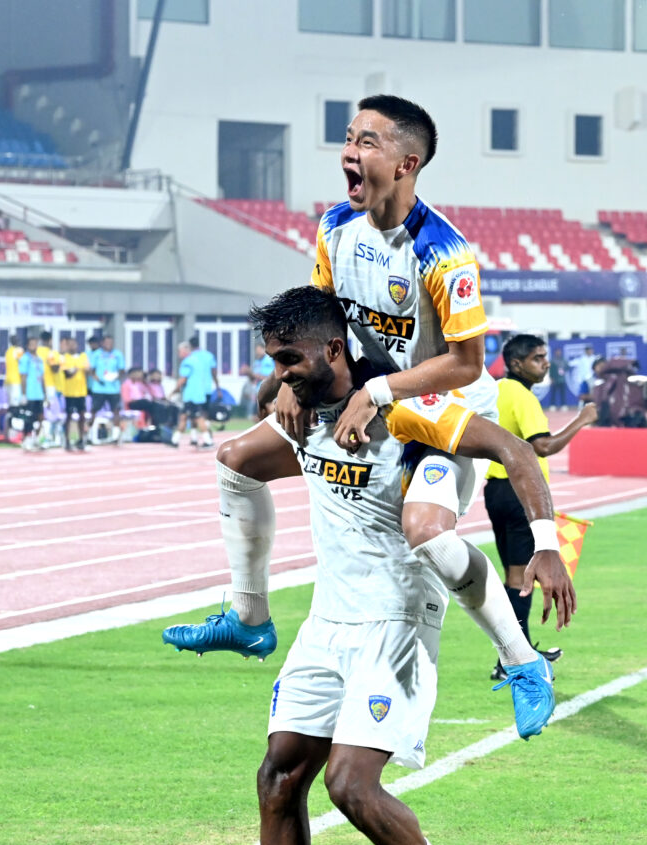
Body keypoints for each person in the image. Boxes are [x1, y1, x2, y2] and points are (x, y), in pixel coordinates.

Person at [174, 288, 572, 845]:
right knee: (278, 778)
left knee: (350, 785)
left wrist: (546, 545)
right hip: (327, 619)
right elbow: (239, 456)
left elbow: (512, 448)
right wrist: (279, 396)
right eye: (272, 363)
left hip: (397, 617)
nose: (280, 376)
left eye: (291, 361)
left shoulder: (403, 412)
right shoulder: (297, 414)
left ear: (334, 350)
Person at [164, 95, 567, 710]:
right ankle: (249, 620)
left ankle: (522, 661)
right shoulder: (335, 227)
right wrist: (288, 385)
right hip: (369, 398)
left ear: (406, 164)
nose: (350, 152)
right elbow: (319, 313)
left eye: (368, 142)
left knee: (426, 532)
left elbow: (463, 362)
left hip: (439, 406)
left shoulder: (444, 254)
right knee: (235, 460)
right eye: (349, 138)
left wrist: (548, 544)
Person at [485, 334, 597, 680]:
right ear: (516, 364)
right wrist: (581, 419)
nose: (545, 363)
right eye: (537, 358)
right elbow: (543, 446)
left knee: (513, 577)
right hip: (519, 495)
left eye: (545, 357)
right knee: (521, 579)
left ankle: (517, 651)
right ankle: (512, 660)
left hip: (496, 490)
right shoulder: (521, 396)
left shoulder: (499, 390)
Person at [170, 335, 218, 449]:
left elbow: (183, 379)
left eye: (180, 351)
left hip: (192, 395)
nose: (178, 354)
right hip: (199, 393)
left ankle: (207, 440)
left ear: (187, 349)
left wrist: (173, 391)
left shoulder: (187, 362)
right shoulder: (198, 360)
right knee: (185, 416)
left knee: (197, 417)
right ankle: (175, 440)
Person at [88, 334, 125, 442]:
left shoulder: (117, 354)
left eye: (110, 342)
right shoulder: (96, 354)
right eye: (107, 342)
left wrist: (116, 376)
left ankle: (116, 435)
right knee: (94, 410)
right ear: (102, 343)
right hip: (99, 388)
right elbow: (91, 370)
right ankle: (90, 434)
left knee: (116, 410)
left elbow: (122, 370)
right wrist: (97, 379)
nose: (109, 345)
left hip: (113, 388)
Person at [60, 336, 89, 451]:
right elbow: (67, 374)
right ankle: (67, 440)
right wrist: (77, 368)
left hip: (81, 391)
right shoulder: (64, 358)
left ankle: (81, 439)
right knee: (69, 417)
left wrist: (81, 368)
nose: (72, 346)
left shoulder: (83, 356)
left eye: (74, 344)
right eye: (70, 344)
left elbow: (88, 370)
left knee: (82, 416)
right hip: (69, 392)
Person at [18, 335, 46, 452]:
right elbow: (23, 377)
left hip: (39, 394)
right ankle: (26, 439)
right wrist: (23, 394)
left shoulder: (39, 359)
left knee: (40, 417)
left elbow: (43, 377)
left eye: (35, 343)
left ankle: (36, 439)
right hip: (29, 393)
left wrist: (45, 394)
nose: (34, 346)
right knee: (28, 418)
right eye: (32, 344)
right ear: (27, 346)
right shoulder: (25, 358)